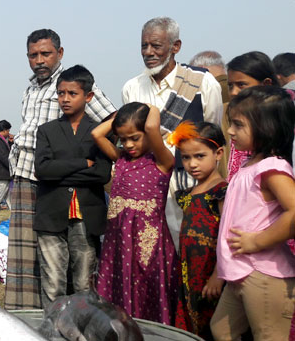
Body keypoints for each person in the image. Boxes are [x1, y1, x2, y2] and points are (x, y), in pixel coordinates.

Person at [7, 28, 115, 310]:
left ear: (60, 53)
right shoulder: (30, 90)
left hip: (66, 186)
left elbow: (114, 120)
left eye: (45, 53)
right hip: (28, 176)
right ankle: (34, 316)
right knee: (34, 255)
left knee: (80, 261)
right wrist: (81, 164)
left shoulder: (76, 83)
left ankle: (79, 319)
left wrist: (92, 151)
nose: (39, 60)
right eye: (33, 55)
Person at [122, 17, 223, 250]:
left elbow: (213, 132)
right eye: (144, 46)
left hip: (191, 182)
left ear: (175, 47)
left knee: (195, 249)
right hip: (148, 186)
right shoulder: (132, 88)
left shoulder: (202, 82)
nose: (148, 52)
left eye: (156, 46)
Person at [209, 86, 295, 341]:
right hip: (240, 272)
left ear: (267, 127)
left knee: (269, 336)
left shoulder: (272, 168)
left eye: (238, 125)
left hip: (264, 273)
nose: (231, 131)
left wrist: (257, 241)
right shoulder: (250, 165)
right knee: (222, 330)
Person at [92, 103, 178, 325]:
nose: (128, 144)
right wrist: (120, 116)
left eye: (134, 138)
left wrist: (151, 108)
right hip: (119, 240)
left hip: (146, 241)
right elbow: (97, 133)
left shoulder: (162, 161)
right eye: (123, 138)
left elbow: (150, 127)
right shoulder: (120, 159)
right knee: (118, 285)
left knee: (145, 286)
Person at [33, 65, 111, 305]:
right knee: (53, 283)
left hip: (86, 216)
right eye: (60, 93)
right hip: (52, 214)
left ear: (88, 96)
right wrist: (83, 163)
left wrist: (61, 169)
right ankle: (53, 332)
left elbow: (102, 174)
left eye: (72, 93)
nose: (64, 99)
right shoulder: (47, 131)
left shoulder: (98, 131)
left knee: (84, 285)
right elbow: (43, 170)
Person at [167, 122, 227, 339]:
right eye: (185, 157)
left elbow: (226, 237)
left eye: (200, 156)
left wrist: (218, 274)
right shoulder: (187, 194)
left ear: (218, 153)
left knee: (212, 326)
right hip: (189, 273)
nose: (192, 164)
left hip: (211, 273)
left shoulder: (222, 192)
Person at [225, 52, 278, 180]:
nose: (233, 93)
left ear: (266, 84)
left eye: (241, 85)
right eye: (230, 86)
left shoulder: (280, 123)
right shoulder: (238, 115)